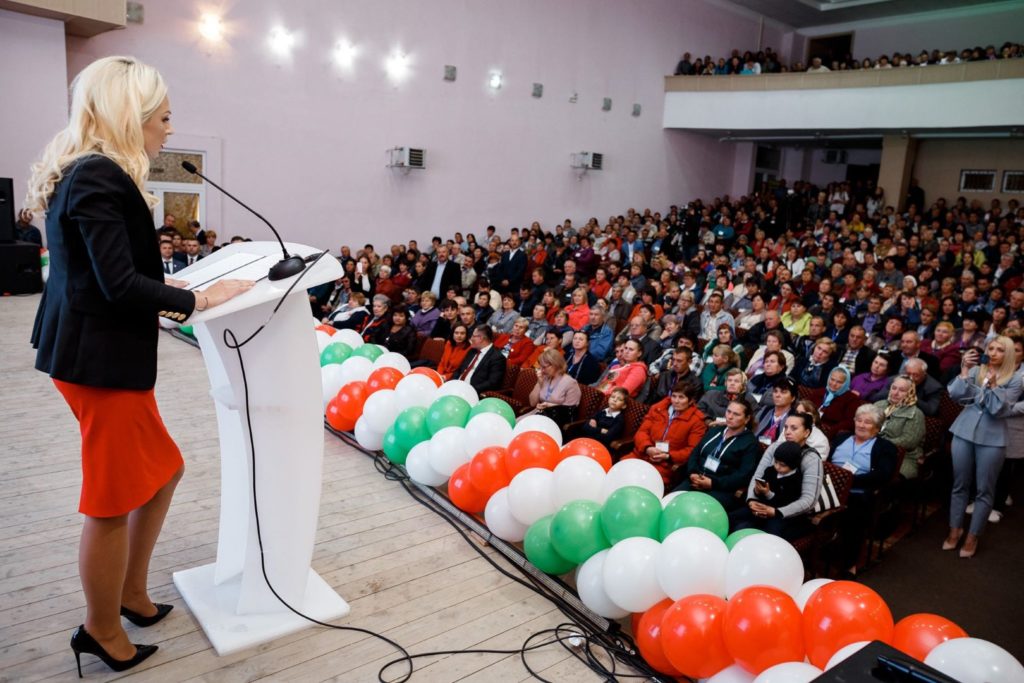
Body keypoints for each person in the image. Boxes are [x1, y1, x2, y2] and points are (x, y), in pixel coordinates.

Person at [27, 56, 252, 673]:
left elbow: (107, 272)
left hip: (100, 353)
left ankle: (128, 592)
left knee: (163, 472)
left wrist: (176, 287)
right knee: (111, 499)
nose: (168, 130)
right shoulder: (99, 175)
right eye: (164, 117)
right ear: (132, 116)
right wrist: (201, 299)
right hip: (99, 361)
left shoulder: (91, 171)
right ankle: (100, 628)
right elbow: (119, 284)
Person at [944, 337, 1022, 558]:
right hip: (964, 431)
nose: (994, 352)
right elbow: (956, 395)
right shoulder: (976, 370)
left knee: (984, 489)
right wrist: (964, 370)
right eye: (991, 348)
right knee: (959, 484)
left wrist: (994, 385)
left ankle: (973, 536)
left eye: (1000, 350)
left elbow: (998, 410)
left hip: (993, 437)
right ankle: (955, 529)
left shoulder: (1015, 379)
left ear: (1008, 354)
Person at [729, 413, 824, 540]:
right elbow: (757, 476)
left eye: (794, 428)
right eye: (786, 427)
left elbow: (809, 500)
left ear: (806, 432)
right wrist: (751, 499)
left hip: (789, 514)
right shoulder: (775, 447)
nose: (787, 432)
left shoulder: (811, 458)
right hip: (763, 503)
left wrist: (777, 512)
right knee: (733, 520)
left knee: (764, 536)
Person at [831, 404, 899, 573]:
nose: (861, 425)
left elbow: (883, 475)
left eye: (867, 422)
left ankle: (849, 564)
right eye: (859, 420)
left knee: (854, 513)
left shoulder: (885, 447)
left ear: (877, 427)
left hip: (857, 491)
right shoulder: (841, 438)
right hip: (829, 485)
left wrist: (849, 481)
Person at [675, 399, 760, 509]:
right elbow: (695, 453)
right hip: (696, 479)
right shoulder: (715, 431)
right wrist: (692, 472)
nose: (730, 417)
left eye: (736, 414)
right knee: (672, 501)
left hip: (721, 489)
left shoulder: (750, 443)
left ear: (747, 419)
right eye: (728, 411)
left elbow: (743, 475)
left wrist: (713, 483)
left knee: (695, 509)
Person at [624, 384, 707, 485]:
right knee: (620, 472)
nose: (676, 401)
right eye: (674, 396)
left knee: (641, 483)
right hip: (641, 455)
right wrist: (647, 448)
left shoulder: (697, 421)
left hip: (665, 465)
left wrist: (668, 456)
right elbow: (642, 432)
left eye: (681, 397)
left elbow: (692, 450)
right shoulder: (657, 409)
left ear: (691, 401)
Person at [875, 375, 926, 479]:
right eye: (894, 388)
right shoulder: (879, 404)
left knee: (882, 476)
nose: (895, 393)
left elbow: (909, 441)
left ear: (910, 392)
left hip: (903, 457)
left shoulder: (916, 414)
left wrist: (879, 443)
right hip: (874, 449)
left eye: (902, 390)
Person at [526, 349, 582, 424]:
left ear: (555, 365)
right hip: (540, 414)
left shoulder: (571, 383)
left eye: (544, 367)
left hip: (556, 421)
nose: (541, 370)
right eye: (540, 367)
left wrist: (550, 406)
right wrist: (539, 383)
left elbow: (570, 410)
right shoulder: (545, 377)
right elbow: (532, 403)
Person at [451, 324, 507, 393]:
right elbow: (459, 370)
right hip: (457, 387)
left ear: (481, 338)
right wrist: (452, 383)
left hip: (473, 392)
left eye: (473, 336)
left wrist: (470, 390)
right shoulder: (472, 351)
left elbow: (492, 383)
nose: (471, 338)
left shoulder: (497, 358)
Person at [816, 366, 863, 438]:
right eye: (832, 379)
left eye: (839, 382)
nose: (834, 384)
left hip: (831, 433)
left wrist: (829, 431)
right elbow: (806, 407)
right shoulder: (820, 392)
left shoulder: (852, 399)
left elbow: (850, 422)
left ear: (846, 383)